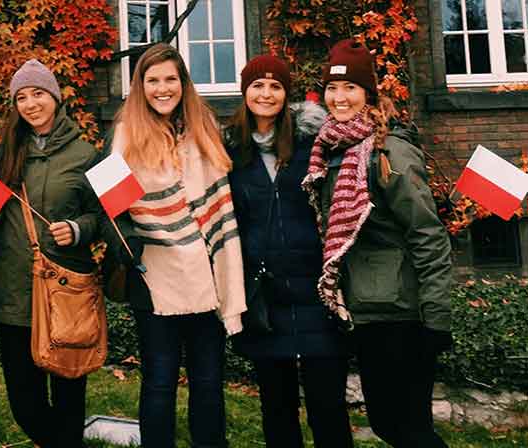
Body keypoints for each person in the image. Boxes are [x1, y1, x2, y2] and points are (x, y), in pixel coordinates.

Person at [302, 38, 453, 447]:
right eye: (332, 88)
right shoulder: (333, 147)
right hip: (367, 310)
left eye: (350, 87)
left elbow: (428, 233)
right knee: (390, 424)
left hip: (401, 313)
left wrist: (435, 318)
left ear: (368, 92)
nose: (340, 97)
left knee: (407, 428)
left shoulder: (389, 151)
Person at [106, 43, 246, 448]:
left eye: (170, 79)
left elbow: (223, 197)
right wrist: (127, 242)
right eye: (152, 81)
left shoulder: (206, 128)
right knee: (160, 381)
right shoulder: (124, 135)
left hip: (207, 271)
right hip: (156, 276)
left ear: (183, 83)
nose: (162, 88)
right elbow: (110, 209)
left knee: (208, 380)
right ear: (140, 86)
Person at [225, 54, 353, 448]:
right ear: (245, 92)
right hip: (267, 297)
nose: (266, 94)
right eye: (258, 85)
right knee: (276, 407)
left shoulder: (313, 145)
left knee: (327, 406)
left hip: (316, 293)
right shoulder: (229, 152)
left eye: (275, 86)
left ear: (287, 94)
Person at [0, 59, 103, 448]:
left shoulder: (86, 154)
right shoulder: (3, 153)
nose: (30, 103)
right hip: (15, 293)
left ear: (54, 96)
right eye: (21, 97)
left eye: (38, 93)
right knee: (25, 402)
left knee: (69, 396)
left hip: (66, 290)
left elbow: (105, 217)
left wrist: (77, 228)